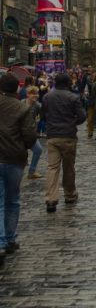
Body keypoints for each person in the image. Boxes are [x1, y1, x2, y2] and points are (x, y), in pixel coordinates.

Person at [0, 73, 37, 265]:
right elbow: (30, 136)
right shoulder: (22, 108)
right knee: (12, 200)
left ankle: (1, 242)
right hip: (14, 158)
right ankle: (10, 239)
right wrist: (22, 146)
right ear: (17, 89)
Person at [43, 73, 86, 213]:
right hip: (68, 136)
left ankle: (51, 199)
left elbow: (43, 115)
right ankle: (69, 194)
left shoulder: (47, 97)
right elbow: (82, 116)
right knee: (68, 167)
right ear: (68, 83)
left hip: (52, 136)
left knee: (52, 168)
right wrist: (72, 123)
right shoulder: (73, 97)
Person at [23, 86, 43, 179]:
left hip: (31, 133)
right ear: (28, 94)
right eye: (33, 93)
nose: (35, 95)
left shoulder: (38, 105)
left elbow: (43, 116)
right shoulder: (21, 103)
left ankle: (31, 171)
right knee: (21, 153)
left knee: (38, 150)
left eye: (36, 93)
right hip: (20, 133)